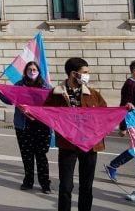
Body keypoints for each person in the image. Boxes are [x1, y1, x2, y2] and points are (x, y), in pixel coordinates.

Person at [44, 57, 107, 211]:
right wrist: (28, 110)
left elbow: (106, 114)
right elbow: (45, 114)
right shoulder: (56, 94)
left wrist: (126, 108)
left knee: (86, 186)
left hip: (90, 146)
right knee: (66, 186)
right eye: (84, 72)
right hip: (68, 145)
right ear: (73, 74)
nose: (87, 75)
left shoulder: (93, 94)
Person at [0, 61, 52, 193]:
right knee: (27, 155)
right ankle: (28, 181)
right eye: (29, 70)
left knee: (41, 156)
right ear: (25, 72)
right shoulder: (19, 85)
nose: (32, 72)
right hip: (23, 125)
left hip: (41, 125)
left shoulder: (46, 87)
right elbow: (9, 99)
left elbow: (52, 105)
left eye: (34, 70)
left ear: (39, 72)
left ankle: (45, 184)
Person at [104, 59, 135, 183]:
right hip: (133, 121)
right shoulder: (129, 84)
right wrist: (122, 127)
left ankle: (114, 165)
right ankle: (114, 165)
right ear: (134, 71)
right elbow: (124, 106)